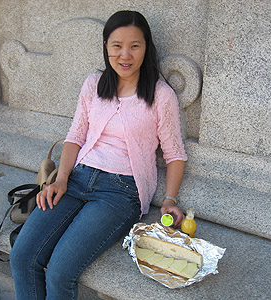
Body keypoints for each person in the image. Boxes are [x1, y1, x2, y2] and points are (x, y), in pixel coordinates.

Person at [10, 10, 187, 300]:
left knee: (59, 272)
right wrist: (61, 179)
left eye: (135, 46)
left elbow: (175, 153)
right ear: (106, 46)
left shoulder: (160, 95)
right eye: (117, 45)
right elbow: (75, 136)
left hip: (120, 193)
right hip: (77, 179)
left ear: (147, 47)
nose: (125, 55)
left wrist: (169, 200)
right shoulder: (93, 84)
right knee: (22, 256)